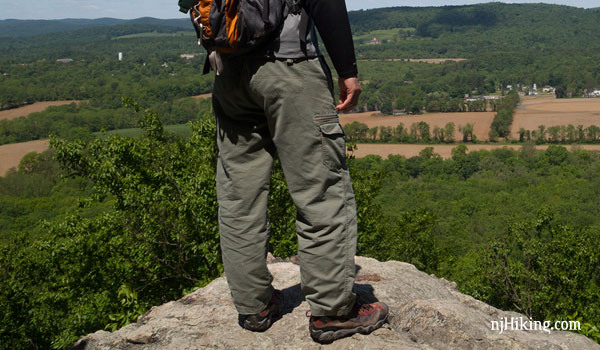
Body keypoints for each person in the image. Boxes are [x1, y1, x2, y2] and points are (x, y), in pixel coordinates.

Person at [210, 0, 389, 343]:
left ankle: (253, 306)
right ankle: (333, 311)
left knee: (238, 196)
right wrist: (347, 70)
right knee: (320, 192)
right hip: (291, 71)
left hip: (229, 73)